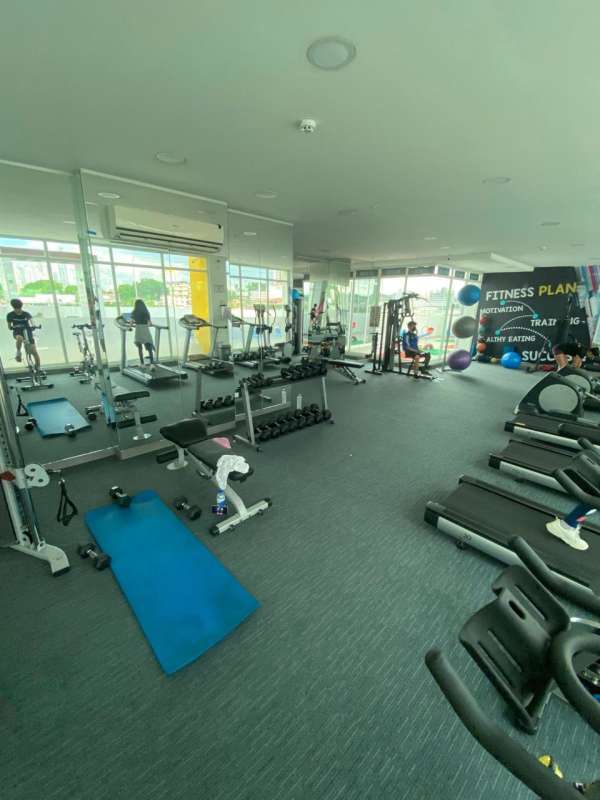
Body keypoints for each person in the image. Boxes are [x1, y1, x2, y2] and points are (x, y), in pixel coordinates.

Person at [6, 298, 40, 367]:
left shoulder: (26, 314)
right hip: (17, 331)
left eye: (19, 308)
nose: (18, 310)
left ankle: (38, 367)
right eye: (16, 308)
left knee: (34, 351)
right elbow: (9, 327)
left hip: (27, 332)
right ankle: (18, 353)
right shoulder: (10, 315)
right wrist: (14, 327)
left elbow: (32, 322)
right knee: (19, 338)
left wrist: (33, 326)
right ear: (13, 307)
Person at [130, 299, 155, 366]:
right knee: (149, 346)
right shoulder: (146, 312)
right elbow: (150, 323)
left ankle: (142, 363)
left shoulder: (134, 312)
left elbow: (131, 323)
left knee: (140, 348)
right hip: (145, 330)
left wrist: (133, 325)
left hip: (138, 330)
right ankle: (152, 362)